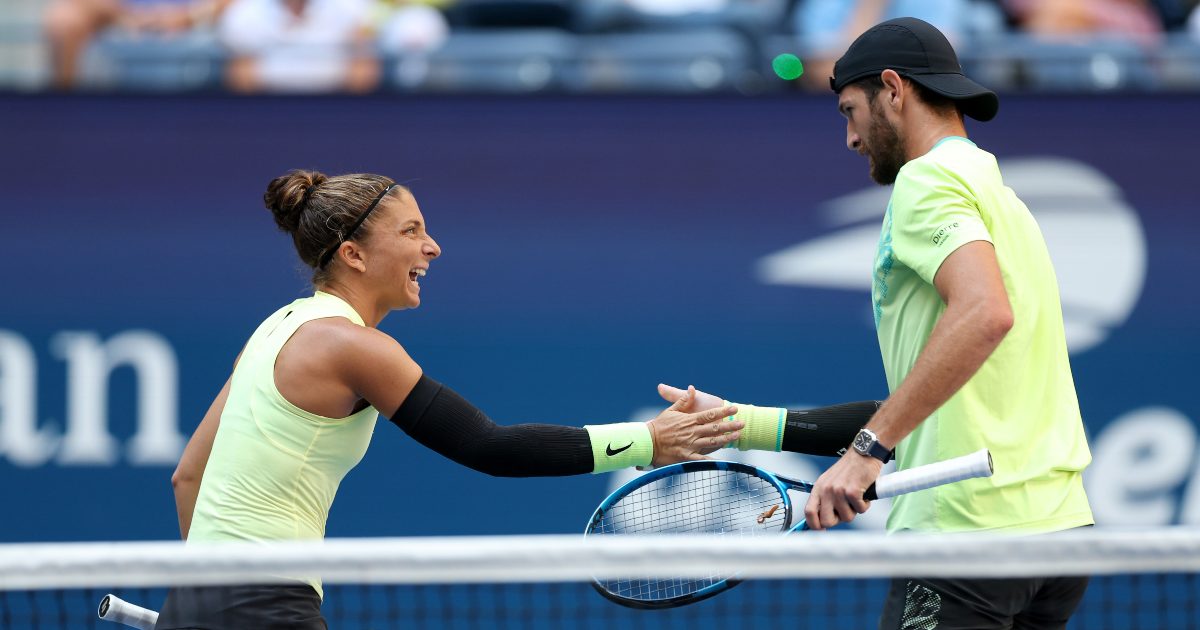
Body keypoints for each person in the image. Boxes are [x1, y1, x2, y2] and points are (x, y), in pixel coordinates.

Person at [157, 170, 747, 629]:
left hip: (193, 601)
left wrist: (204, 596)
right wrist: (650, 440)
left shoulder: (271, 333)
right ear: (353, 254)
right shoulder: (354, 346)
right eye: (410, 231)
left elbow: (189, 477)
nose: (433, 247)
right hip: (266, 605)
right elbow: (489, 446)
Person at [662, 16, 1095, 629]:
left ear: (893, 89)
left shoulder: (925, 179)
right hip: (1058, 537)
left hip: (968, 535)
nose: (849, 137)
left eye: (848, 111)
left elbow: (984, 312)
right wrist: (742, 425)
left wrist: (868, 450)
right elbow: (938, 396)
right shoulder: (1000, 195)